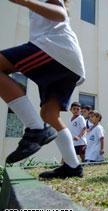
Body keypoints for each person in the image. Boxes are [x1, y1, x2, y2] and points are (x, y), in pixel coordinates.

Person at [1, 0, 85, 178]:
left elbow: (60, 14)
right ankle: (72, 166)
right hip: (68, 60)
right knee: (49, 115)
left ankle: (35, 129)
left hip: (55, 50)